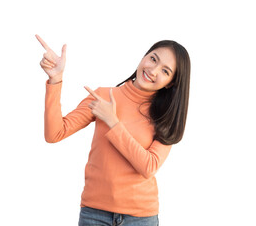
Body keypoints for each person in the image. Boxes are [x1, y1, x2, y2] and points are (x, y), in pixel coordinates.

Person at [36, 34, 191, 226]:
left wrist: (112, 121)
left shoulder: (165, 116)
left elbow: (148, 167)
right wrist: (55, 80)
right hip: (94, 214)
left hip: (141, 218)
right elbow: (54, 134)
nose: (153, 70)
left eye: (165, 71)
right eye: (153, 59)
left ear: (171, 83)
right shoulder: (103, 96)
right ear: (144, 57)